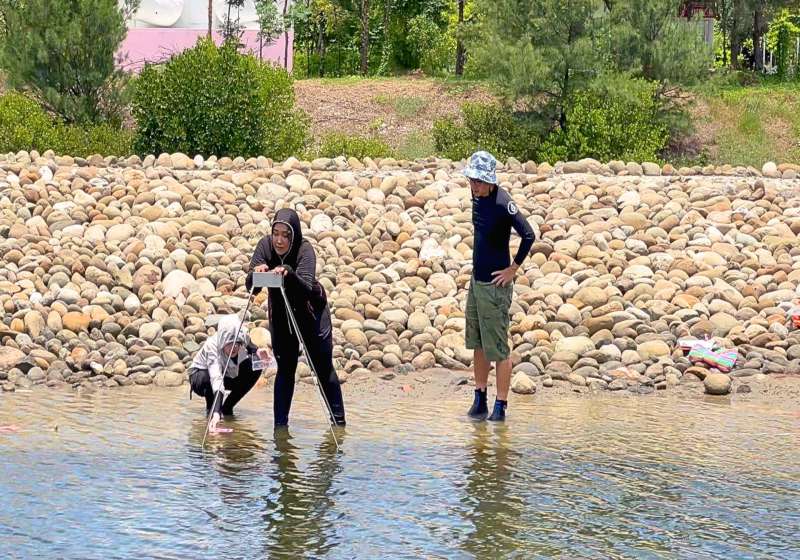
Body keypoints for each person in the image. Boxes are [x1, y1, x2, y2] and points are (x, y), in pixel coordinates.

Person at [245, 208, 346, 427]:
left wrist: (288, 273)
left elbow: (306, 288)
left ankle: (338, 424)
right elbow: (250, 288)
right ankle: (280, 429)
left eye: (285, 235)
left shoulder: (304, 250)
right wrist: (256, 274)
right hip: (281, 315)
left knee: (322, 369)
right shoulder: (265, 246)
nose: (279, 240)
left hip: (311, 313)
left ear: (294, 235)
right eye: (276, 233)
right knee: (285, 370)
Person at [463, 151, 535, 422]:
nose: (475, 186)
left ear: (491, 181)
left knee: (498, 348)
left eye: (480, 182)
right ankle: (479, 397)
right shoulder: (476, 198)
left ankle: (500, 405)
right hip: (476, 282)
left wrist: (513, 269)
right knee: (478, 342)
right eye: (472, 180)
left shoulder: (503, 203)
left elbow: (528, 234)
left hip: (495, 286)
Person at [188, 314, 271, 431]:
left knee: (256, 365)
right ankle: (212, 412)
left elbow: (250, 344)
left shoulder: (242, 334)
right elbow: (216, 379)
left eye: (237, 343)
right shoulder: (212, 347)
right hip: (201, 376)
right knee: (207, 379)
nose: (234, 348)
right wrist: (216, 413)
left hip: (228, 372)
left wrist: (258, 351)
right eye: (230, 344)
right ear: (223, 341)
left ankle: (227, 408)